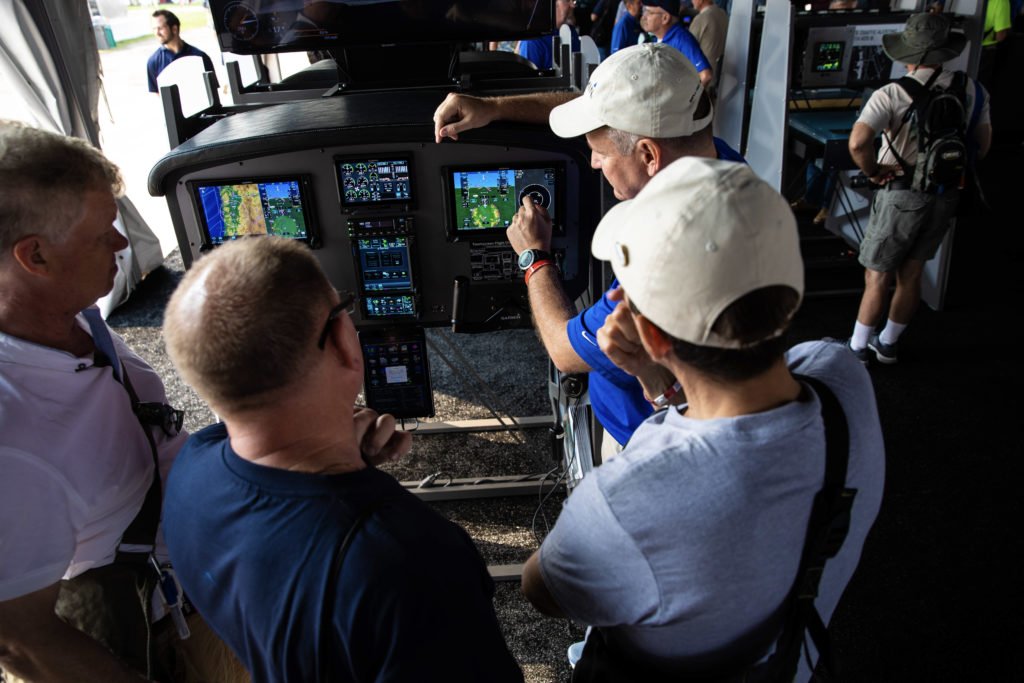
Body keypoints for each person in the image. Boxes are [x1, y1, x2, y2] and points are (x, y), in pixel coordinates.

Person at [520, 157, 886, 680]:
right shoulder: (842, 377)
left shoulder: (629, 495)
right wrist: (657, 379)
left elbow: (542, 590)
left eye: (625, 290)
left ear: (655, 335)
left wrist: (655, 373)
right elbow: (729, 426)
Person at [160, 238, 524, 683]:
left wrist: (350, 463)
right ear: (342, 342)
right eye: (342, 309)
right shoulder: (411, 562)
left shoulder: (191, 466)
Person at [0, 121, 242, 682]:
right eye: (102, 232)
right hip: (132, 623)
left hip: (188, 582)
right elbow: (21, 640)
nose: (121, 243)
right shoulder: (14, 437)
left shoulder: (71, 314)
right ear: (34, 256)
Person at [434, 43, 743, 455]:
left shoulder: (665, 265)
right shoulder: (714, 157)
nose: (593, 164)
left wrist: (533, 257)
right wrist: (495, 108)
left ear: (649, 154)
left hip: (652, 442)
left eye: (599, 153)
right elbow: (608, 116)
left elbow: (565, 352)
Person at [847, 13, 991, 364]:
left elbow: (858, 142)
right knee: (911, 272)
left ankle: (856, 349)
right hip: (945, 193)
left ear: (908, 53)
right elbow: (983, 145)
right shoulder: (971, 89)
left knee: (877, 275)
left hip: (900, 194)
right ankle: (889, 344)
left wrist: (874, 170)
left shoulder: (892, 93)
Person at [640, 0, 713, 86]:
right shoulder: (656, 38)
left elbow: (706, 75)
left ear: (665, 18)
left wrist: (689, 98)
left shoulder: (682, 39)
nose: (644, 17)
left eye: (649, 12)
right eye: (644, 11)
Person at [147, 9, 216, 94]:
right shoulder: (153, 62)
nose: (157, 33)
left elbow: (213, 91)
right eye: (154, 28)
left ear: (174, 29)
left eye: (160, 28)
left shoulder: (200, 57)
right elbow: (156, 94)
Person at [517, 0, 580, 69]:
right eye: (567, 1)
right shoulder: (533, 40)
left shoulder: (571, 31)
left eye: (573, 1)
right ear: (552, 4)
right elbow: (528, 78)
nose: (573, 6)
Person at [688, 0, 728, 77]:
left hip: (703, 78)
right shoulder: (723, 14)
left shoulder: (701, 18)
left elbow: (686, 50)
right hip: (720, 76)